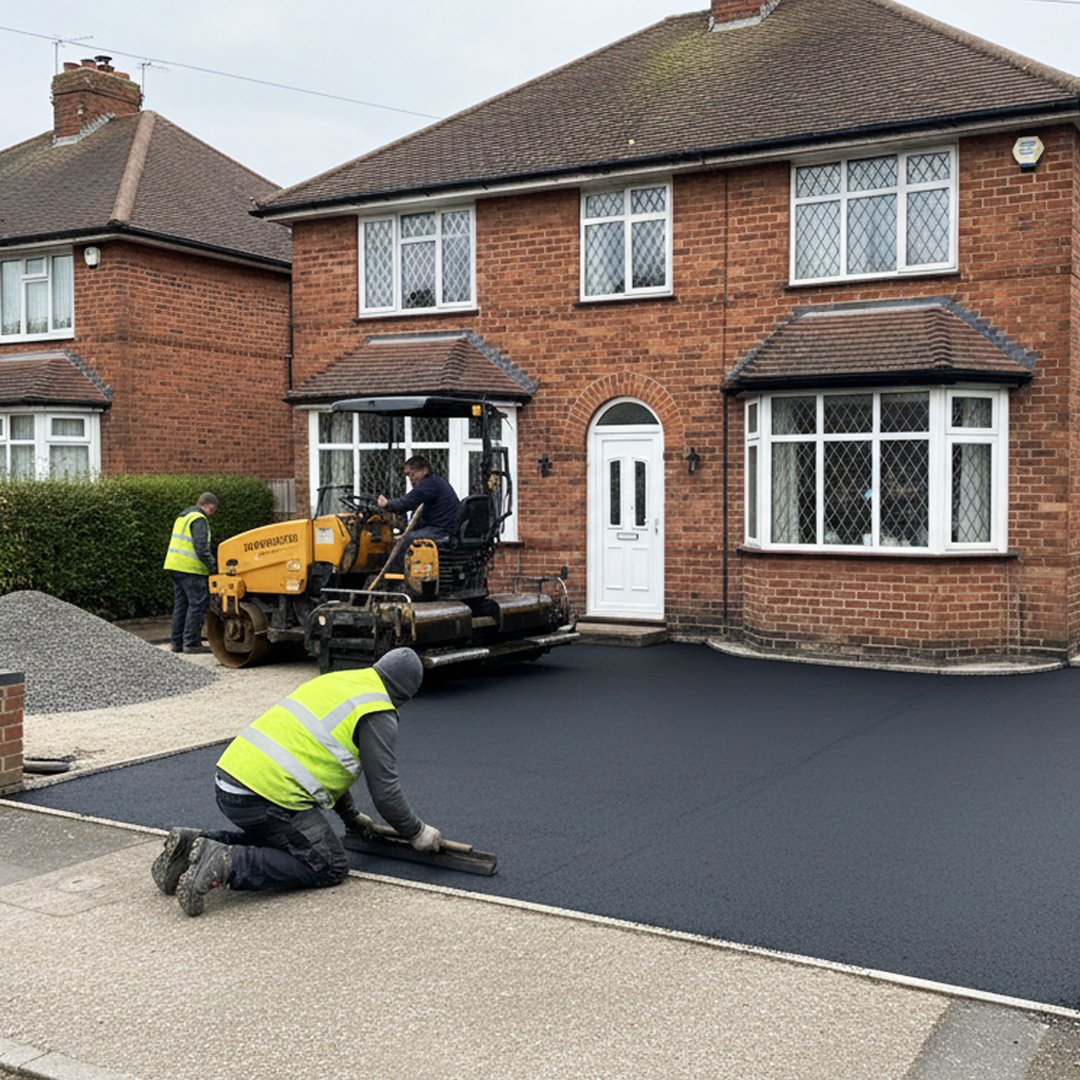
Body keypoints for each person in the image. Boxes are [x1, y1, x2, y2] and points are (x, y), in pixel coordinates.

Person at [150, 647, 442, 917]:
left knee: (288, 841)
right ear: (405, 694)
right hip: (267, 796)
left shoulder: (340, 682)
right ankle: (227, 862)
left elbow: (323, 756)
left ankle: (194, 846)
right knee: (329, 865)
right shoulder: (377, 712)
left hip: (230, 781)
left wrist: (351, 817)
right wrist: (416, 832)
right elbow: (385, 792)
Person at [163, 492, 218, 654]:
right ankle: (192, 642)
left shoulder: (183, 517)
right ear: (210, 506)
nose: (213, 513)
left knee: (181, 605)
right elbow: (201, 547)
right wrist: (214, 566)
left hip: (174, 566)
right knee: (198, 604)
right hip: (190, 569)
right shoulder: (198, 519)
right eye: (213, 510)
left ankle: (177, 643)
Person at [376, 456, 462, 545]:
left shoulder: (429, 484)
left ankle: (399, 559)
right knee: (406, 536)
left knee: (406, 540)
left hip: (443, 531)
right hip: (443, 528)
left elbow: (407, 502)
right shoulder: (435, 482)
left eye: (413, 474)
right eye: (409, 476)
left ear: (424, 471)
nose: (411, 480)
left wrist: (387, 504)